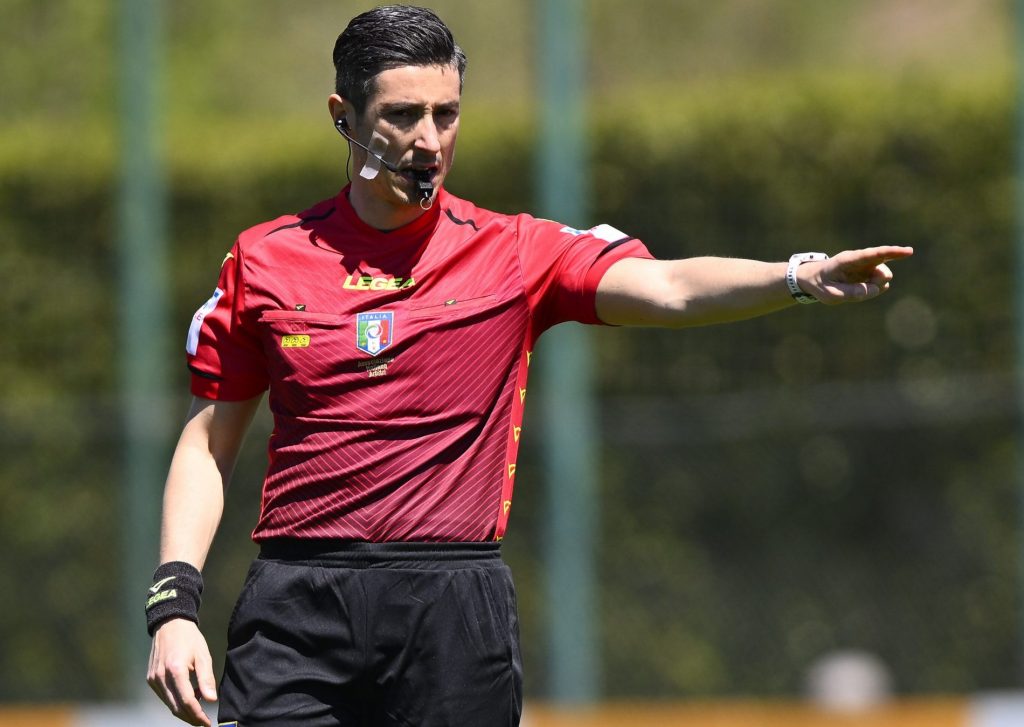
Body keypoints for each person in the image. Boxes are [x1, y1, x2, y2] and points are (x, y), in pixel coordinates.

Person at [144, 5, 913, 727]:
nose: (429, 140)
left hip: (453, 609)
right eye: (403, 115)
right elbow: (207, 444)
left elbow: (671, 287)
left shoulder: (514, 252)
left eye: (447, 114)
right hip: (298, 607)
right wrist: (174, 607)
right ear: (344, 116)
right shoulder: (265, 259)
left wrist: (798, 275)